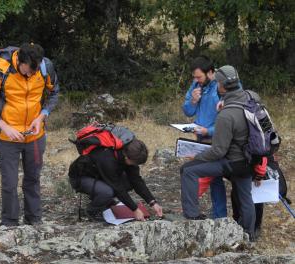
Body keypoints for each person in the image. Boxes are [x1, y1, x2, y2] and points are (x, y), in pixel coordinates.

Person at [0, 43, 59, 226]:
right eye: (26, 71)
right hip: (8, 136)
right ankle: (10, 223)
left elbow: (54, 93)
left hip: (35, 135)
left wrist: (43, 116)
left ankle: (34, 220)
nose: (29, 75)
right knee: (10, 183)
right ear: (19, 61)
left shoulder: (45, 67)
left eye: (32, 72)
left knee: (33, 178)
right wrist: (3, 126)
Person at [180, 65, 256, 240]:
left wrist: (196, 156)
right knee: (246, 198)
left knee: (188, 170)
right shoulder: (251, 97)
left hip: (231, 162)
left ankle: (192, 217)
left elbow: (218, 151)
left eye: (218, 83)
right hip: (250, 160)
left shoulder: (225, 115)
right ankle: (248, 235)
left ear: (221, 85)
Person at [69, 138, 163, 221]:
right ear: (126, 157)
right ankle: (92, 210)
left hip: (100, 175)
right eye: (134, 163)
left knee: (129, 182)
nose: (135, 165)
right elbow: (118, 188)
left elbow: (136, 180)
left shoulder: (129, 154)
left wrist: (152, 202)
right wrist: (135, 210)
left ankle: (104, 201)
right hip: (80, 177)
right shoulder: (107, 158)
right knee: (107, 192)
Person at [182, 56, 227, 219]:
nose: (196, 80)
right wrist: (193, 101)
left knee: (204, 175)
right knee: (215, 179)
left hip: (218, 140)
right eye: (194, 77)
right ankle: (219, 215)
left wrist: (208, 131)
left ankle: (213, 214)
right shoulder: (196, 85)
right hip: (201, 138)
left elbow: (230, 121)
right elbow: (187, 111)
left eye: (199, 77)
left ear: (210, 73)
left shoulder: (222, 87)